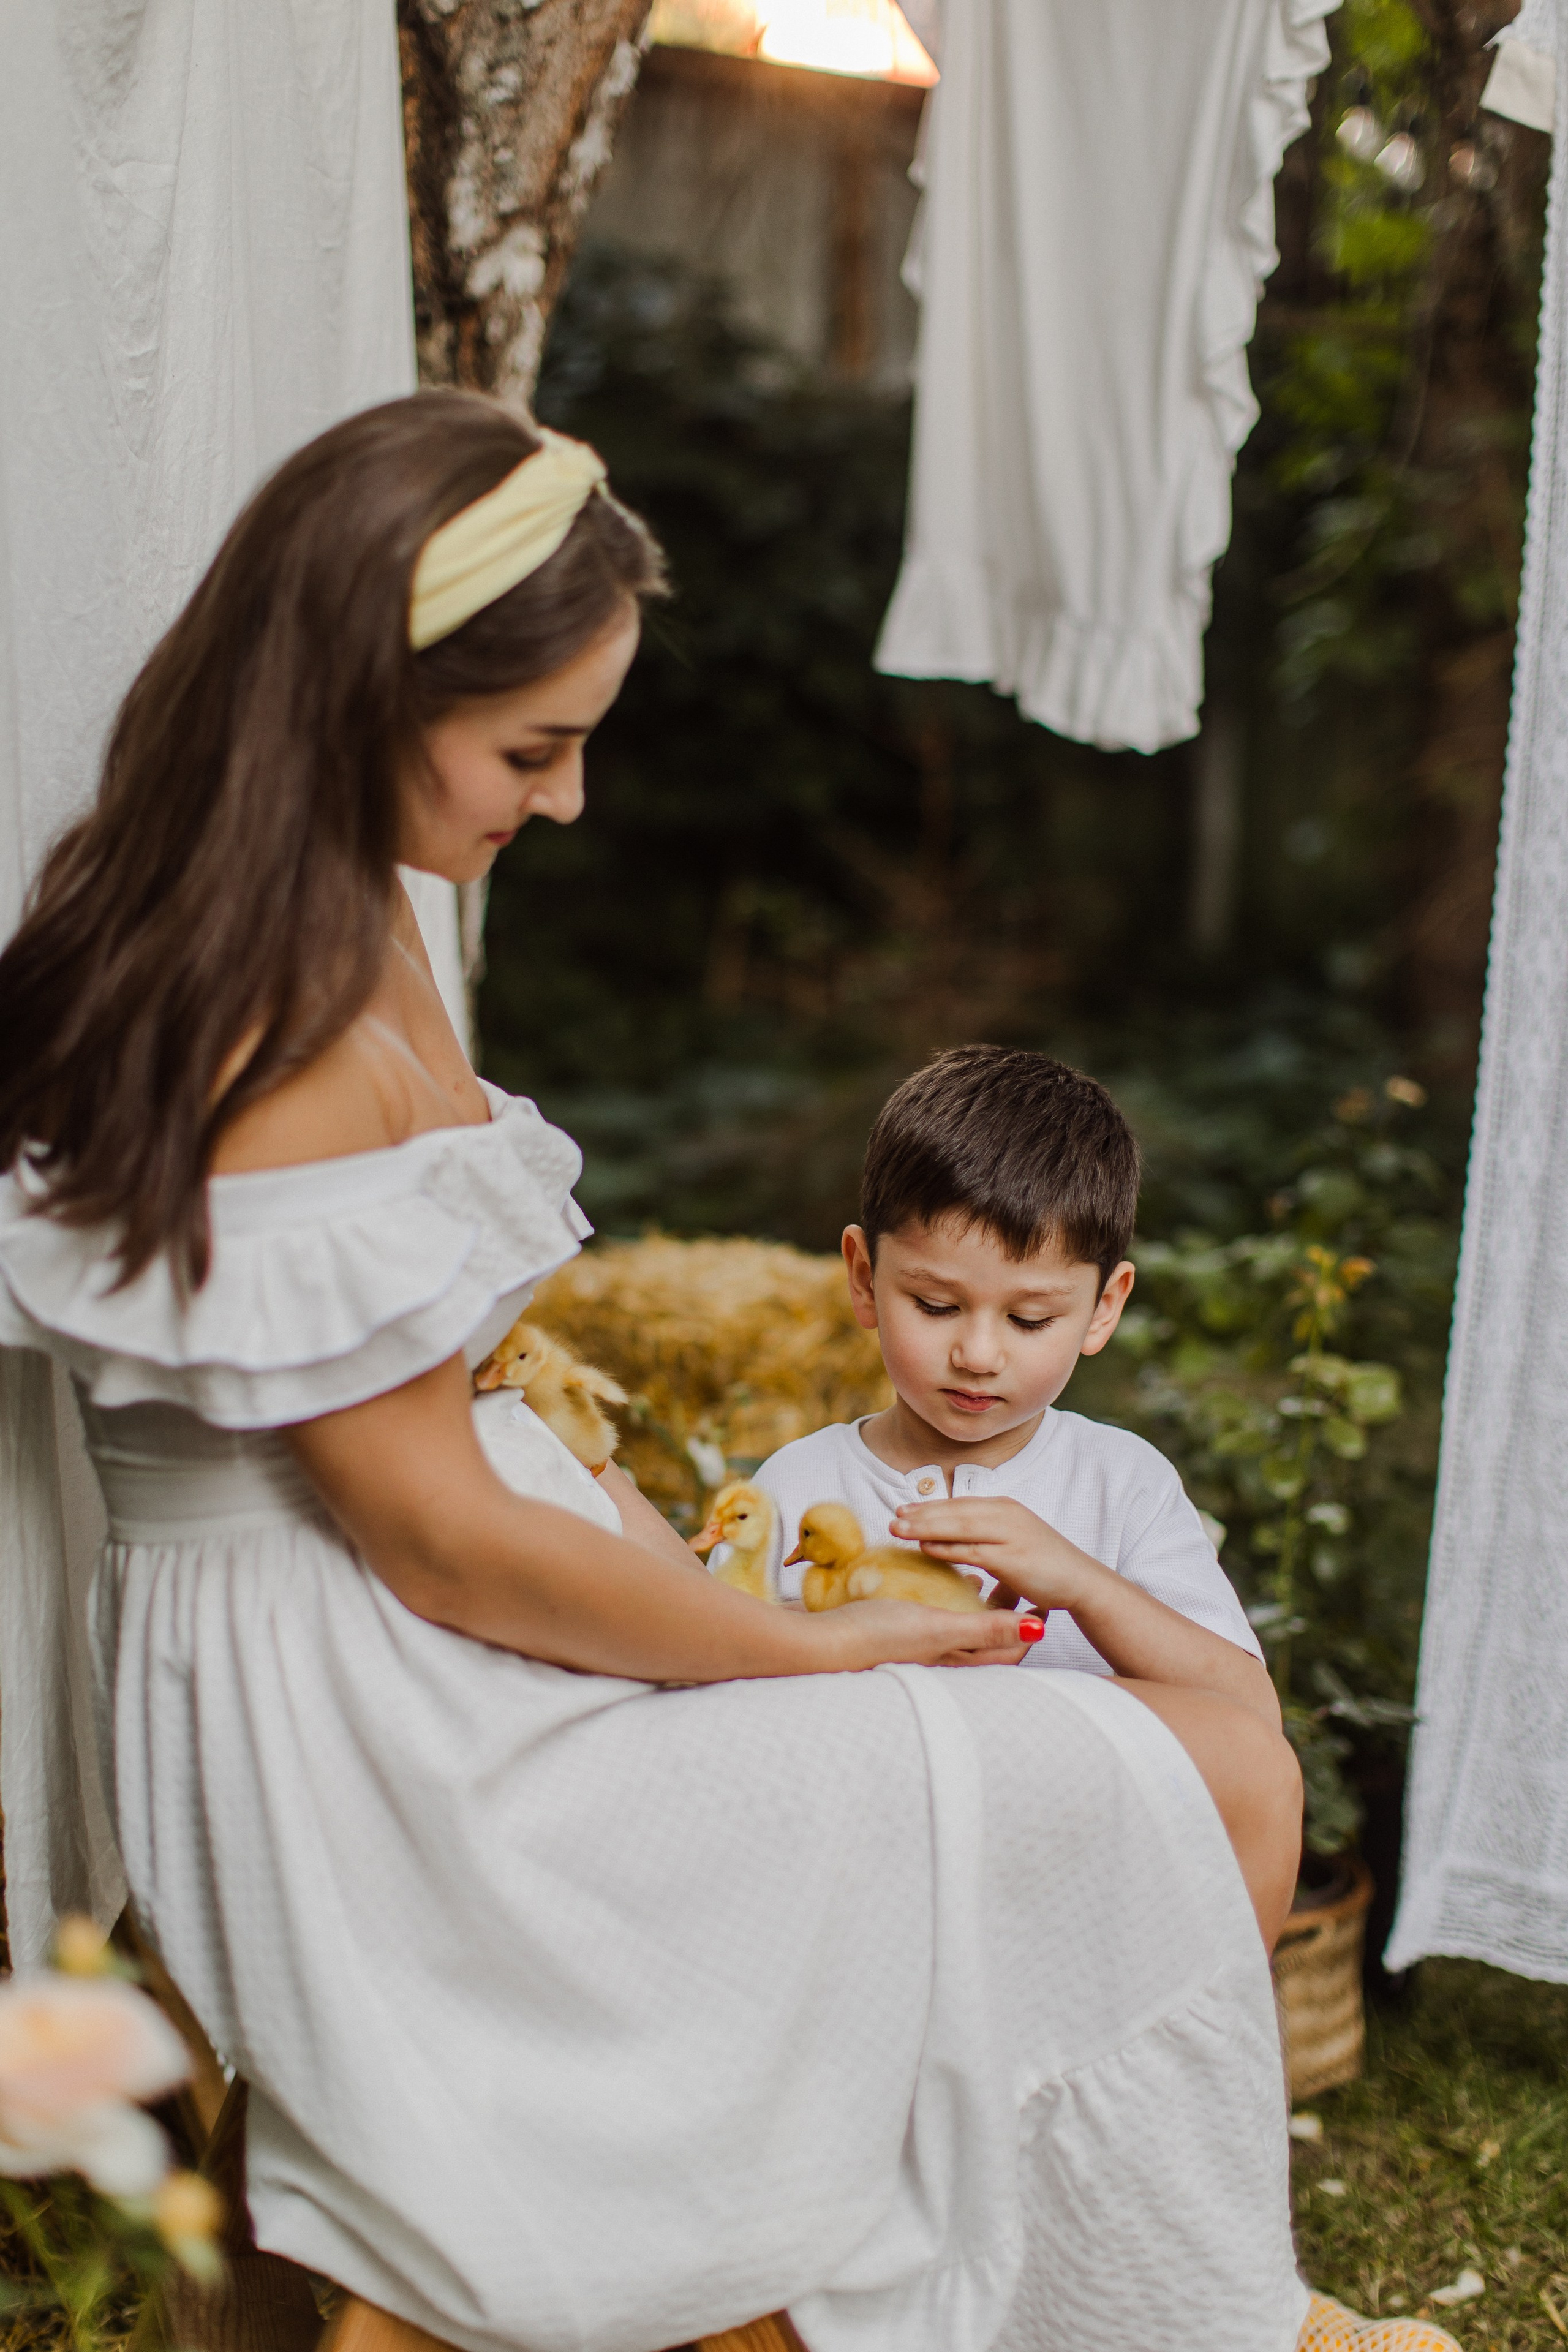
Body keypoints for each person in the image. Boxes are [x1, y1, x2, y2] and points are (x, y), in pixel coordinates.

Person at [0, 390, 1312, 2352]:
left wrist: (700, 1600)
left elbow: (477, 1418)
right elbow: (441, 1534)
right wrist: (795, 1647)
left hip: (469, 1664)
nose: (568, 799)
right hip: (404, 1745)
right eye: (535, 745)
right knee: (1179, 1765)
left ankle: (1132, 2286)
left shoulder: (348, 911)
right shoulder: (254, 1028)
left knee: (1189, 1759)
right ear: (364, 692)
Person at [753, 1048, 1275, 1724]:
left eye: (1030, 1319)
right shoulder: (796, 1487)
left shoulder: (1121, 1486)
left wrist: (1084, 1586)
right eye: (936, 1306)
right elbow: (717, 1684)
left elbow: (1250, 1715)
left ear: (1103, 1309)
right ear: (863, 1278)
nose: (976, 1355)